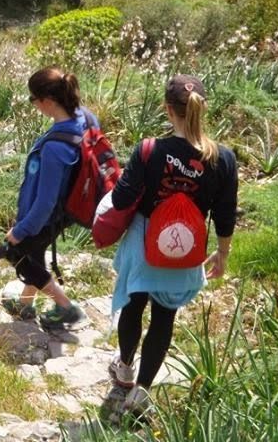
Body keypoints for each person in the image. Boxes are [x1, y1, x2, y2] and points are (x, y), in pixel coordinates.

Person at [106, 75, 238, 414]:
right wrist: (222, 253)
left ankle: (123, 369)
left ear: (168, 109)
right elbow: (224, 214)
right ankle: (142, 393)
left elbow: (122, 198)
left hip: (144, 241)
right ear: (202, 108)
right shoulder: (222, 159)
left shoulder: (151, 149)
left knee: (134, 306)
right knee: (164, 316)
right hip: (186, 249)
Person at [1, 67, 89, 328]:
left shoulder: (55, 148)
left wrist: (21, 229)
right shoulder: (83, 119)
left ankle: (67, 309)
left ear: (47, 102)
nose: (34, 105)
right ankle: (25, 304)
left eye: (33, 99)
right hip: (65, 211)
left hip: (47, 216)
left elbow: (45, 201)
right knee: (34, 253)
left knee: (21, 257)